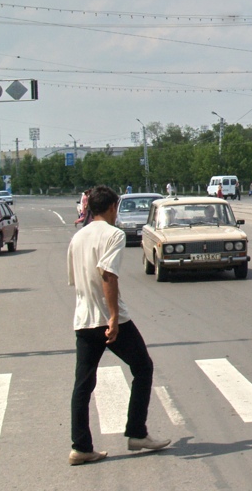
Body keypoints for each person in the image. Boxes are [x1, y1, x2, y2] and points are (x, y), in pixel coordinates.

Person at [67, 185, 171, 465]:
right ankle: (136, 432)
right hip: (112, 321)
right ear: (113, 207)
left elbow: (77, 281)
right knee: (143, 368)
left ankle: (81, 447)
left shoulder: (78, 238)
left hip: (84, 319)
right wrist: (112, 318)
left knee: (83, 385)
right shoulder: (115, 235)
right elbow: (108, 275)